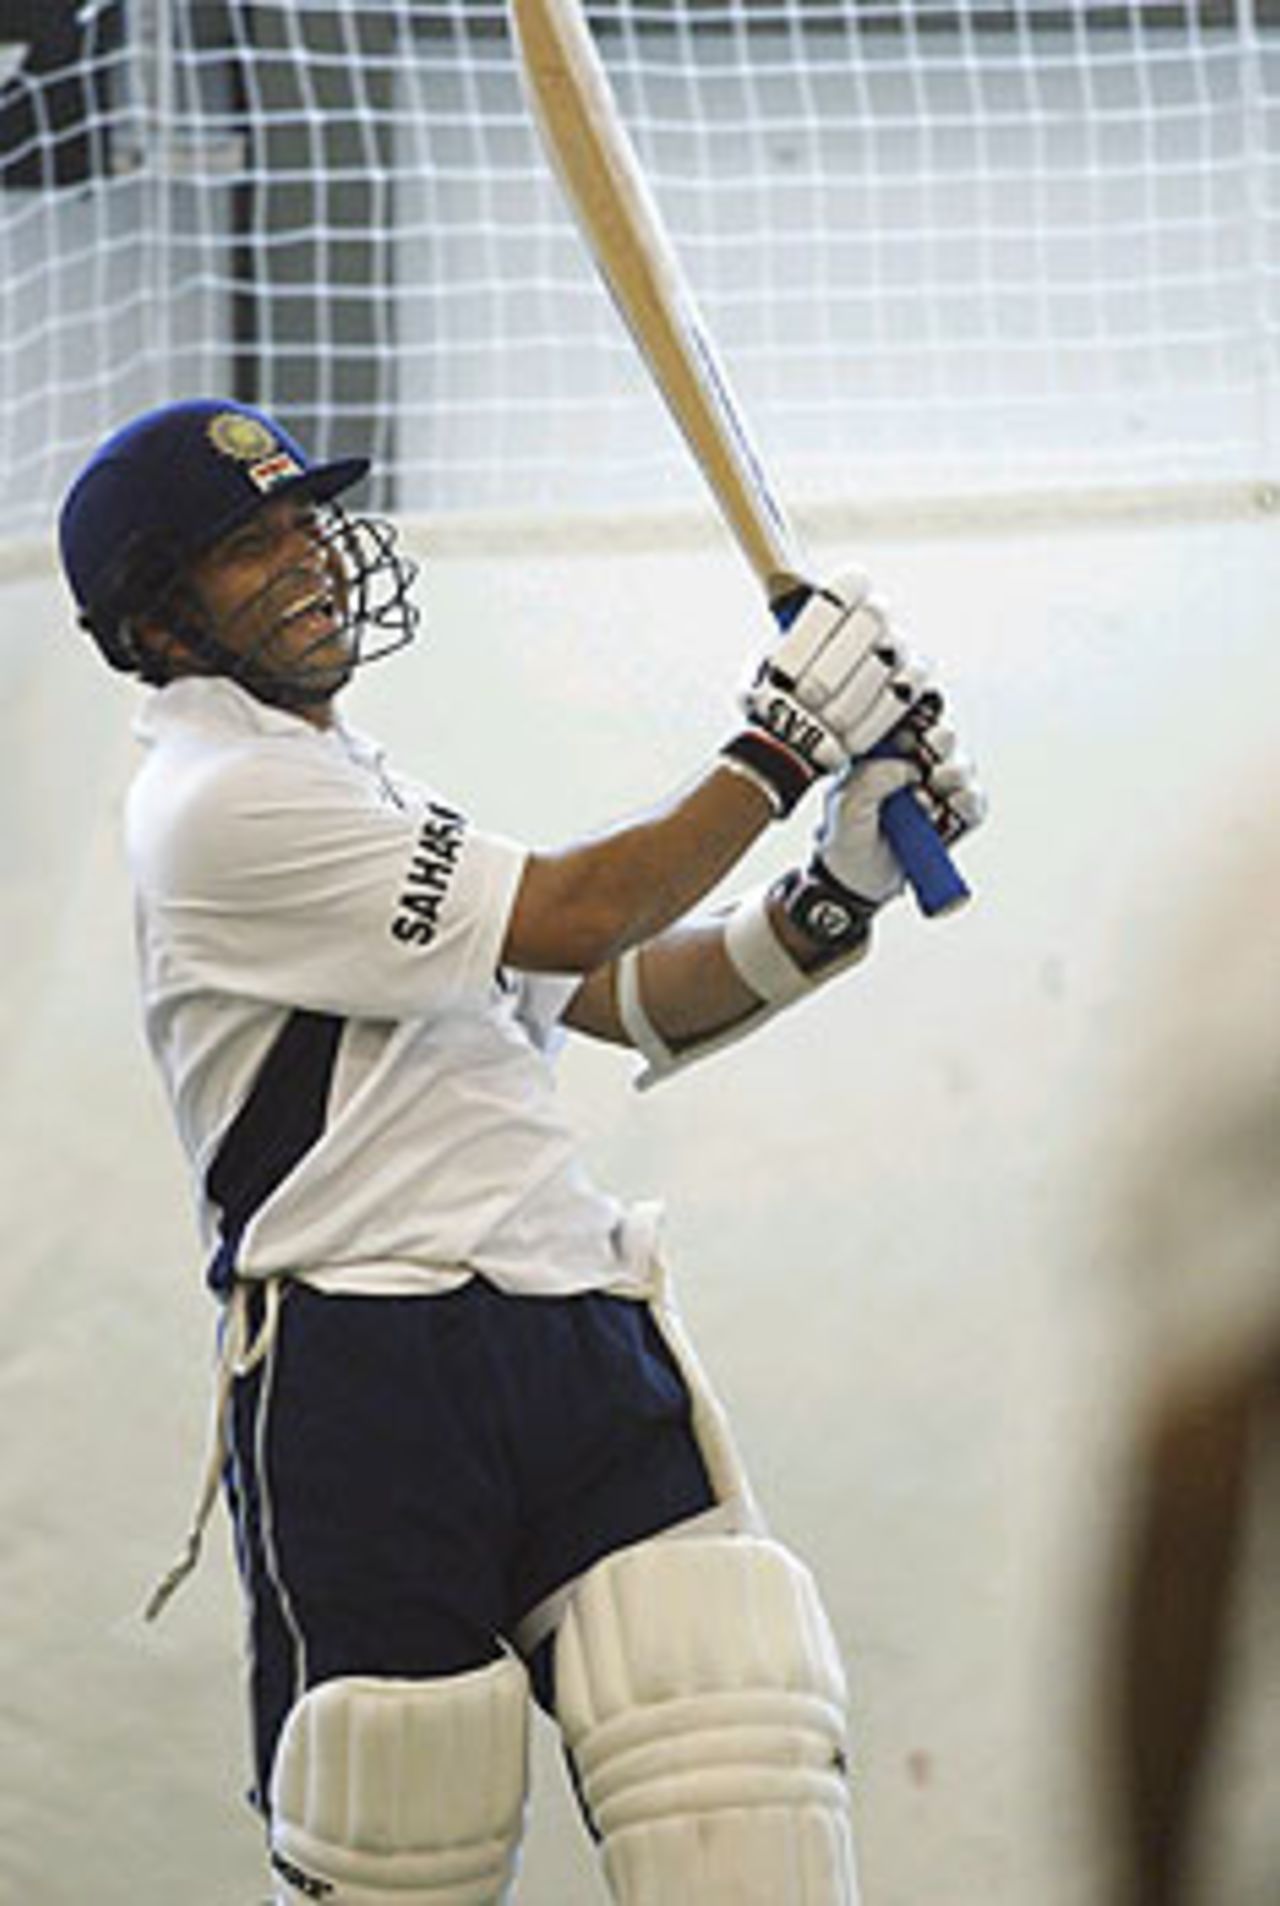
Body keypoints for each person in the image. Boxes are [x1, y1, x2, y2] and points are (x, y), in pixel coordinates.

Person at [57, 397, 984, 1906]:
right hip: (367, 1363)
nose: (306, 558)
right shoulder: (214, 805)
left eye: (302, 523)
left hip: (573, 1322)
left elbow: (624, 989)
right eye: (248, 546)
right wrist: (779, 745)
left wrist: (835, 892)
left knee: (745, 1775)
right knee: (402, 1826)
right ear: (158, 622)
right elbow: (577, 910)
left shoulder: (366, 790)